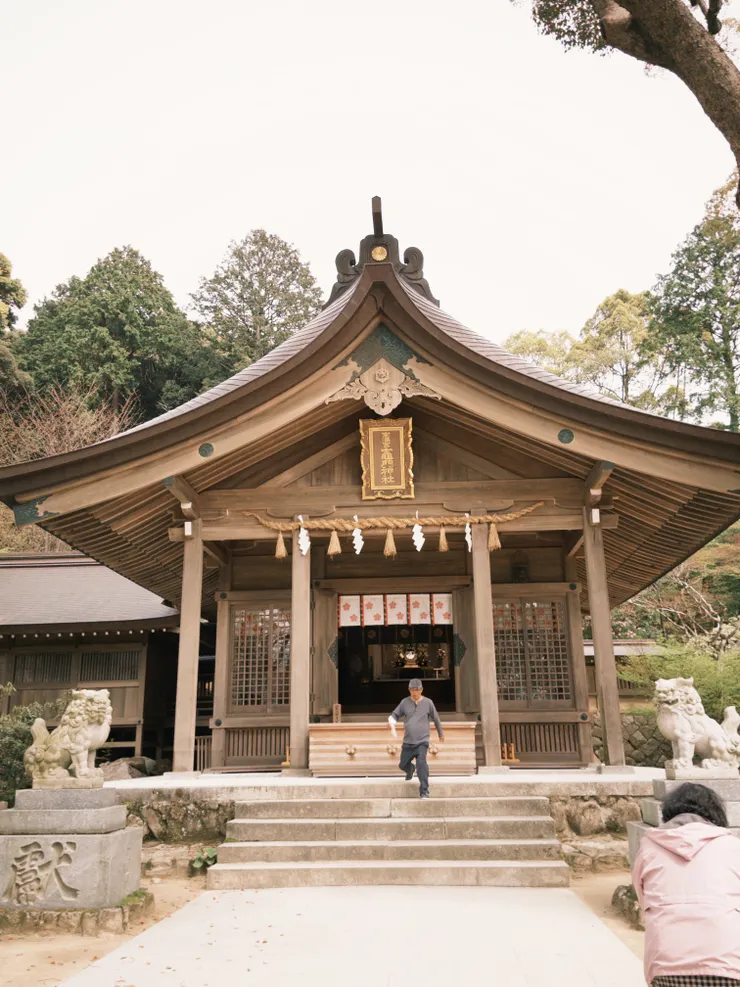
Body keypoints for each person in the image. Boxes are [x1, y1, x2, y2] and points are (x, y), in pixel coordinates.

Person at [632, 781, 740, 987]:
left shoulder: (649, 848)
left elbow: (643, 898)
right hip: (729, 964)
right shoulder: (733, 846)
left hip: (667, 965)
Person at [388, 678, 444, 799]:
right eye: (413, 690)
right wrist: (391, 720)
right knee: (402, 764)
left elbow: (436, 718)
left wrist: (440, 733)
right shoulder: (404, 702)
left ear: (421, 690)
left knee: (421, 764)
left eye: (417, 690)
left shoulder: (428, 703)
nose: (415, 692)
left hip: (422, 741)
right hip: (408, 741)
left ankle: (424, 791)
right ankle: (410, 769)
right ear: (409, 690)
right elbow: (395, 714)